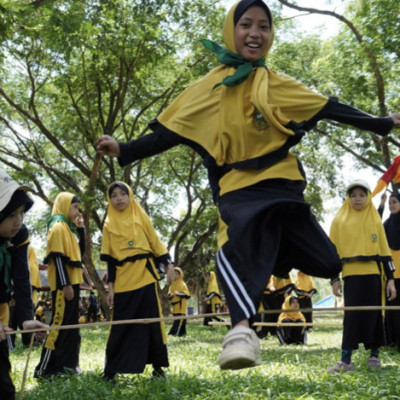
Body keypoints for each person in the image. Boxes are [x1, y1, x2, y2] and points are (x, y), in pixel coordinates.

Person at [97, 0, 400, 370]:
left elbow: (328, 107)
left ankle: (266, 253)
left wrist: (383, 123)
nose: (255, 33)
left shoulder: (276, 84)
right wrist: (123, 149)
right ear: (231, 30)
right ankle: (241, 330)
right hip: (238, 188)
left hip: (283, 184)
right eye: (246, 24)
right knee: (234, 243)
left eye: (264, 26)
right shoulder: (207, 88)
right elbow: (169, 133)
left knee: (325, 261)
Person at [101, 182, 172, 382]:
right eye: (114, 195)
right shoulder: (108, 225)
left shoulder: (142, 217)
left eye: (123, 193)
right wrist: (111, 288)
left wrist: (169, 263)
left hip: (145, 278)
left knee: (152, 324)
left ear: (130, 195)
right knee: (120, 326)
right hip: (123, 283)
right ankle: (110, 372)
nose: (119, 198)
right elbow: (110, 261)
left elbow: (156, 244)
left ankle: (158, 368)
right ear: (110, 200)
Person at [327, 179, 396, 373]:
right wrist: (334, 279)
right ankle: (346, 360)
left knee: (374, 315)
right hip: (351, 274)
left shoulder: (374, 219)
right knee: (351, 317)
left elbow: (384, 252)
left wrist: (390, 279)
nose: (358, 199)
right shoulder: (339, 221)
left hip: (374, 274)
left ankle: (374, 356)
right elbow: (332, 254)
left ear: (368, 197)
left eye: (362, 195)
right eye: (353, 195)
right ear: (348, 198)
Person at [0, 169, 48, 399]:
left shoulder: (19, 235)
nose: (18, 221)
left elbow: (21, 278)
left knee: (3, 382)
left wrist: (27, 317)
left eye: (21, 212)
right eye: (10, 214)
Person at [34, 192, 85, 378]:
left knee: (72, 328)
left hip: (74, 283)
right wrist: (65, 284)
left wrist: (81, 230)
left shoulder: (68, 229)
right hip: (65, 286)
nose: (77, 211)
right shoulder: (57, 227)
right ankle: (44, 369)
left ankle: (68, 367)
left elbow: (80, 254)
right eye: (75, 207)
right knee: (58, 326)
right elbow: (57, 257)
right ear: (64, 205)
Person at [378, 192, 400, 351]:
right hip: (391, 275)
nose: (392, 205)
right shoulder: (385, 225)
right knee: (392, 308)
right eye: (390, 203)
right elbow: (374, 225)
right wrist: (381, 205)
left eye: (395, 202)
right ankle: (392, 339)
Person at [168, 266, 190, 337]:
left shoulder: (183, 284)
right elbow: (169, 295)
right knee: (179, 320)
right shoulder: (172, 284)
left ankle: (173, 333)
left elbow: (187, 295)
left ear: (180, 274)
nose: (175, 275)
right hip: (175, 306)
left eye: (176, 274)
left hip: (181, 305)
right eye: (173, 274)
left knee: (179, 320)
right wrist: (171, 295)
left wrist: (177, 293)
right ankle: (182, 333)